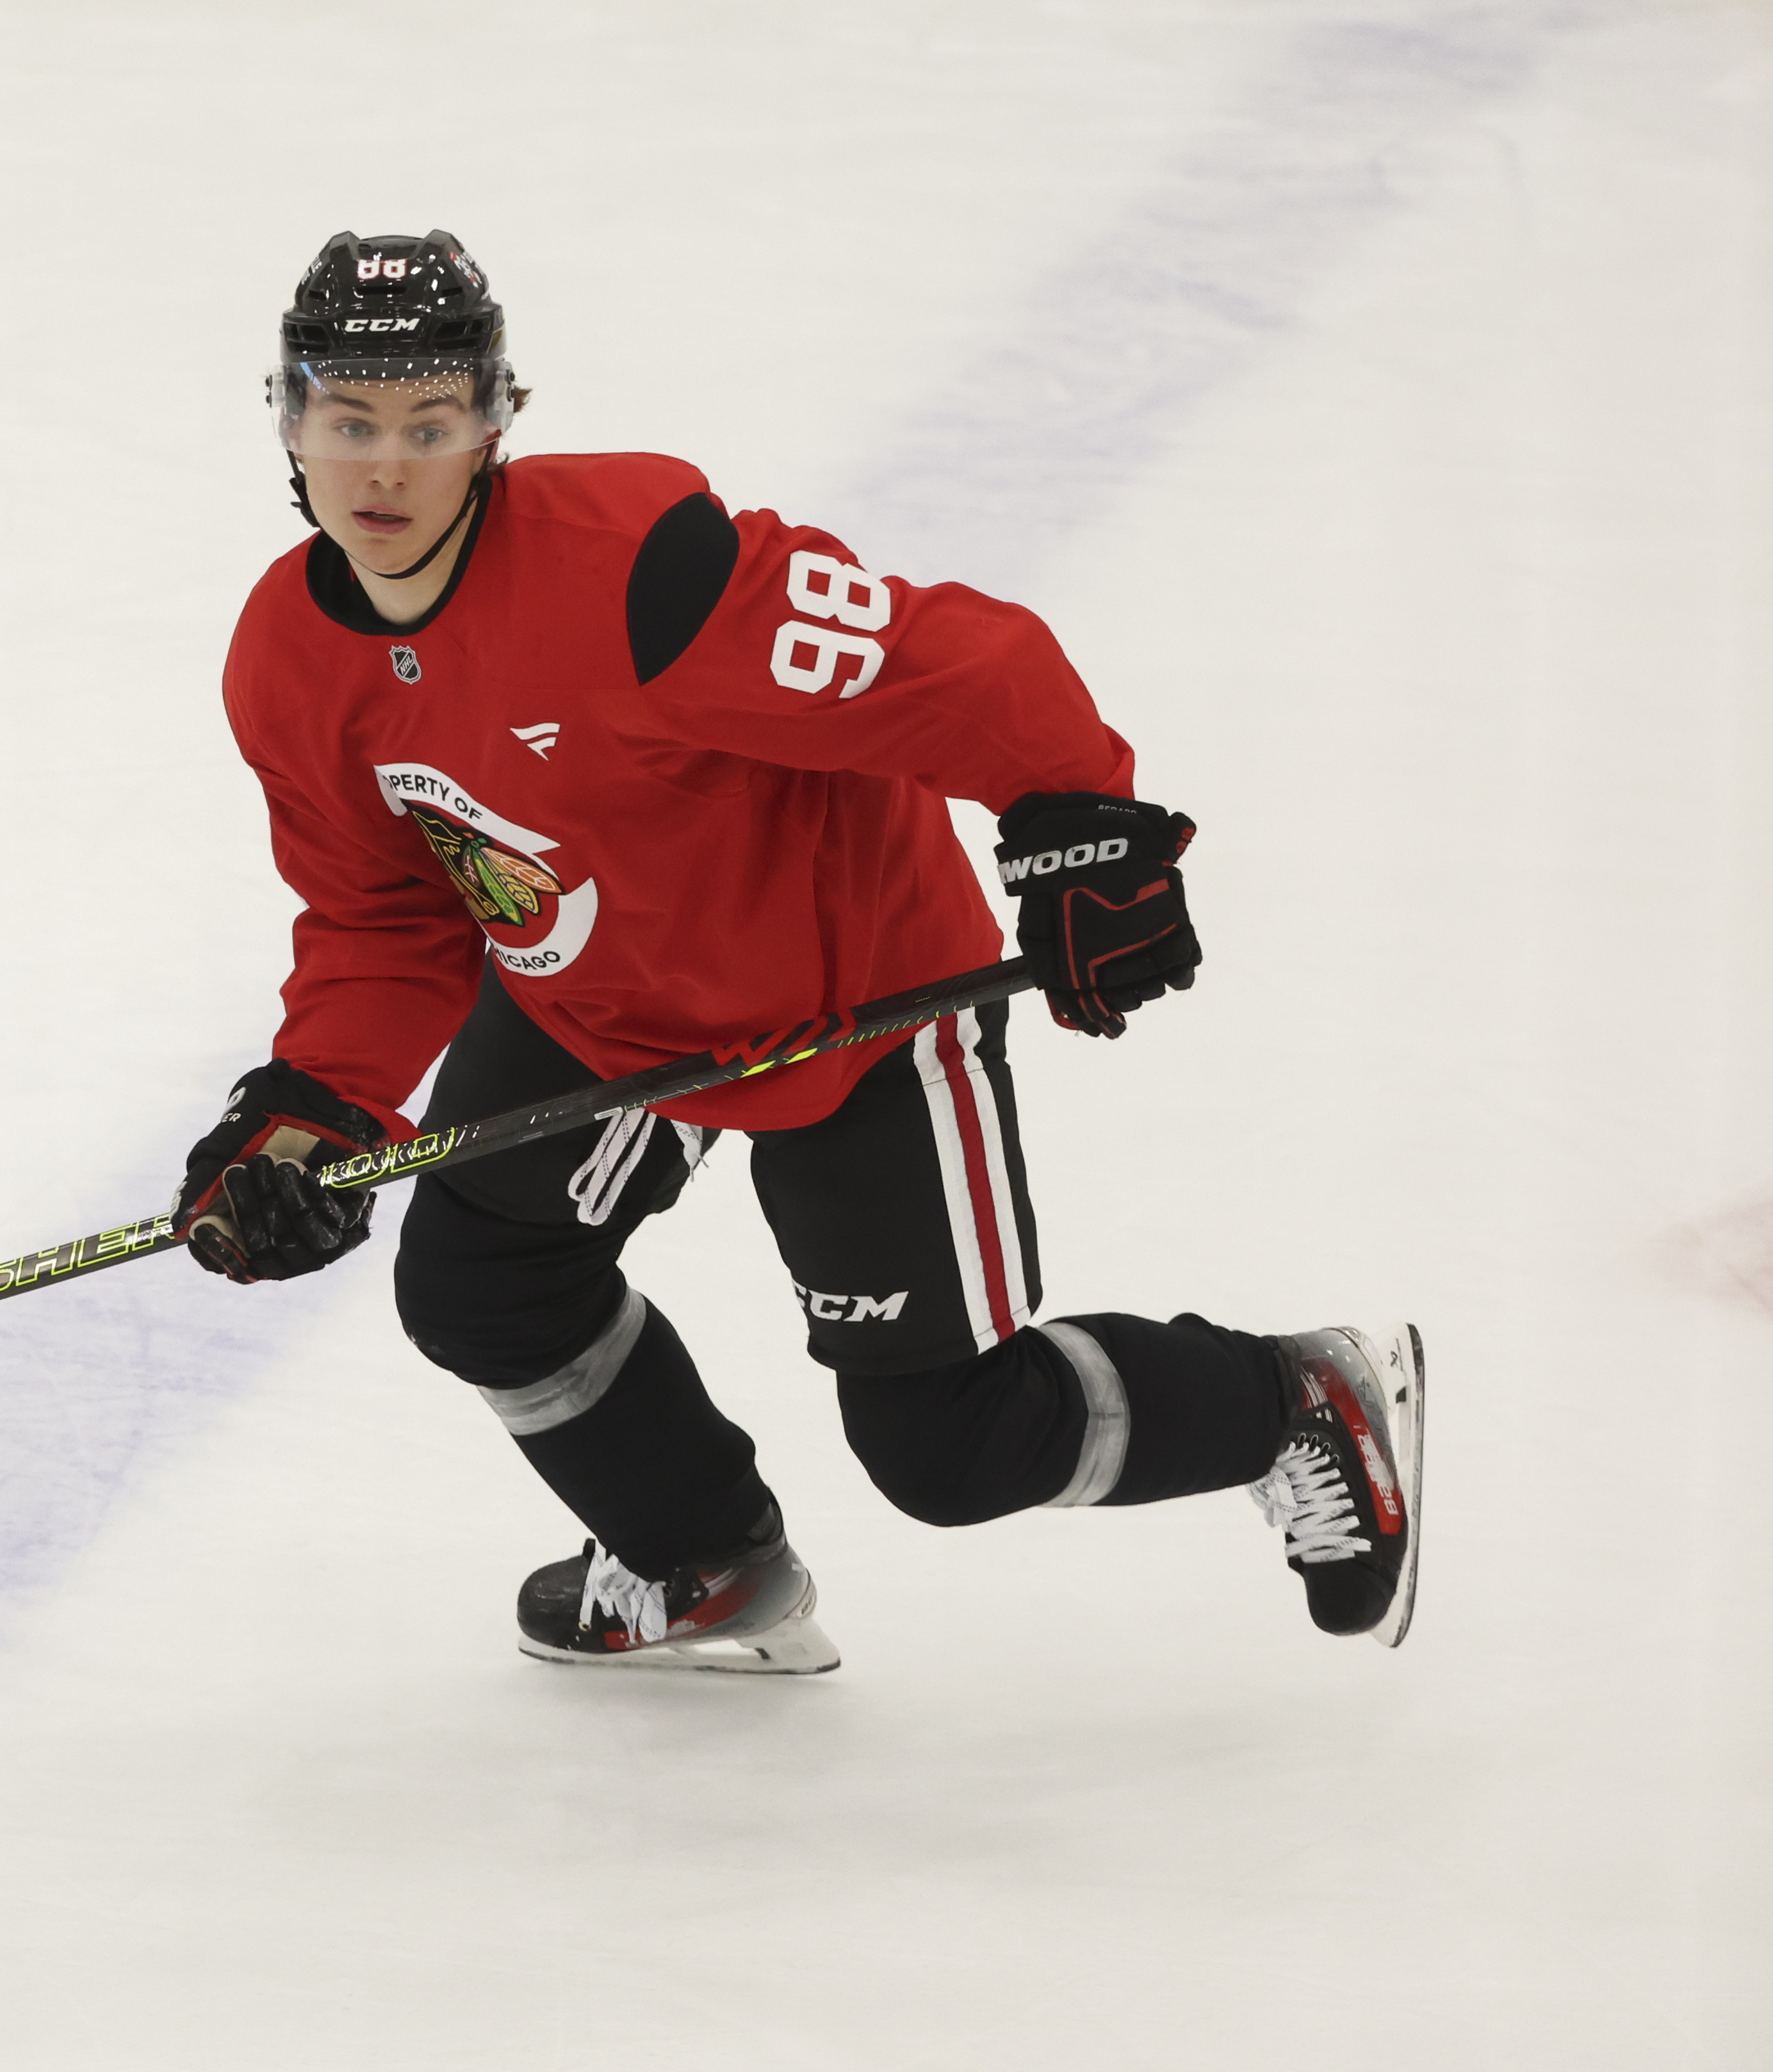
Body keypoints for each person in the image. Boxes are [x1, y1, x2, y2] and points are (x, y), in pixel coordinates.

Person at [170, 230, 1425, 1672]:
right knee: (478, 1281)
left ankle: (1288, 1400)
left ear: (493, 426)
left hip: (853, 1008)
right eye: (347, 423)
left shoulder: (644, 574)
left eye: (427, 424)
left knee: (945, 1448)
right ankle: (699, 1557)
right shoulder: (285, 657)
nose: (382, 468)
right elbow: (384, 918)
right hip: (600, 1005)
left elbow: (958, 663)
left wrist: (1078, 820)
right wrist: (306, 1113)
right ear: (287, 419)